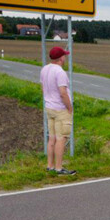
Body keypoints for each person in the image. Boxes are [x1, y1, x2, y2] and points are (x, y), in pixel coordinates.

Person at [40, 46, 76, 175]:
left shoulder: (44, 69)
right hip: (60, 109)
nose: (65, 58)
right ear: (61, 58)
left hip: (49, 107)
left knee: (52, 138)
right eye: (64, 56)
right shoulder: (60, 72)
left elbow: (43, 88)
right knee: (61, 138)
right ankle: (59, 168)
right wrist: (69, 108)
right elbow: (63, 93)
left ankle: (50, 165)